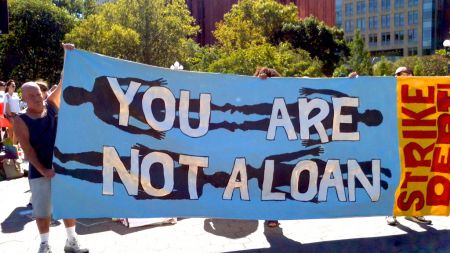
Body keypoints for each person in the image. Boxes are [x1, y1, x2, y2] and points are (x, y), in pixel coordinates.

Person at [14, 43, 89, 253]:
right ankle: (45, 244)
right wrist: (42, 170)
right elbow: (27, 149)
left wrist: (68, 54)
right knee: (42, 211)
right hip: (40, 170)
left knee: (68, 205)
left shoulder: (52, 106)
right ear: (24, 99)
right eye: (32, 96)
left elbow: (64, 82)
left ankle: (72, 241)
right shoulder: (21, 120)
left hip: (62, 166)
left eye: (38, 93)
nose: (38, 98)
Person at [385, 66, 432, 226]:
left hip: (415, 142)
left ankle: (414, 212)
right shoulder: (390, 93)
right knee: (396, 178)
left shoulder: (421, 92)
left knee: (416, 178)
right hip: (395, 142)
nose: (403, 77)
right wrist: (353, 80)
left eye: (406, 75)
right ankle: (391, 212)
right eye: (399, 75)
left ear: (413, 75)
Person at [254, 67, 281, 228]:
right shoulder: (251, 95)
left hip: (276, 148)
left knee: (272, 180)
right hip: (256, 147)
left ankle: (272, 215)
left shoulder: (285, 95)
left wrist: (351, 82)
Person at [3, 79, 20, 144]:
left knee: (15, 132)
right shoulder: (6, 95)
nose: (14, 87)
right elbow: (7, 107)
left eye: (15, 85)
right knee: (12, 132)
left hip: (17, 115)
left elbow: (17, 106)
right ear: (8, 87)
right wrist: (10, 117)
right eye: (12, 86)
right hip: (10, 115)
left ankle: (13, 146)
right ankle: (11, 147)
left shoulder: (16, 94)